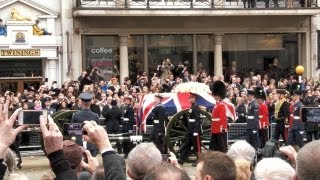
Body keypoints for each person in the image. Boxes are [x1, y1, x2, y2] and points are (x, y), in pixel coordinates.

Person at [71, 92, 100, 157]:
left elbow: (72, 131)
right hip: (91, 145)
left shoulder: (75, 115)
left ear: (81, 102)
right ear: (90, 103)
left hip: (79, 145)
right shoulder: (95, 116)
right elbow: (97, 131)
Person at [180, 92, 202, 164]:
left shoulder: (195, 107)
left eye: (191, 98)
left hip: (195, 130)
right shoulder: (192, 107)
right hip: (191, 129)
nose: (190, 99)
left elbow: (197, 120)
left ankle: (200, 161)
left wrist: (195, 131)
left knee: (197, 146)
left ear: (194, 99)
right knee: (187, 144)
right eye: (189, 98)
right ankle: (182, 159)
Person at [209, 80, 228, 153]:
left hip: (219, 129)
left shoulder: (221, 105)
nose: (214, 96)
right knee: (213, 147)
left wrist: (222, 128)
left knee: (222, 148)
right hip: (215, 128)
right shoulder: (216, 105)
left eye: (215, 94)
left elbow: (223, 118)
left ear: (218, 95)